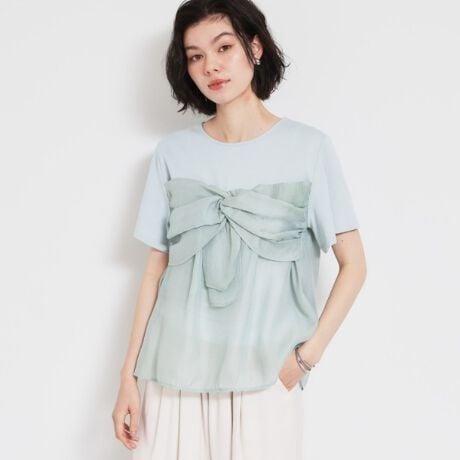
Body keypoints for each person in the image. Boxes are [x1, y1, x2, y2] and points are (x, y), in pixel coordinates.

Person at [112, 0, 367, 458]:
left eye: (223, 47)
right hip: (173, 373)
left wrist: (306, 357)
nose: (210, 66)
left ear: (256, 47)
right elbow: (154, 271)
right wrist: (128, 376)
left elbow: (355, 265)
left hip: (265, 376)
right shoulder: (172, 154)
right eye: (195, 56)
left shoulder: (309, 149)